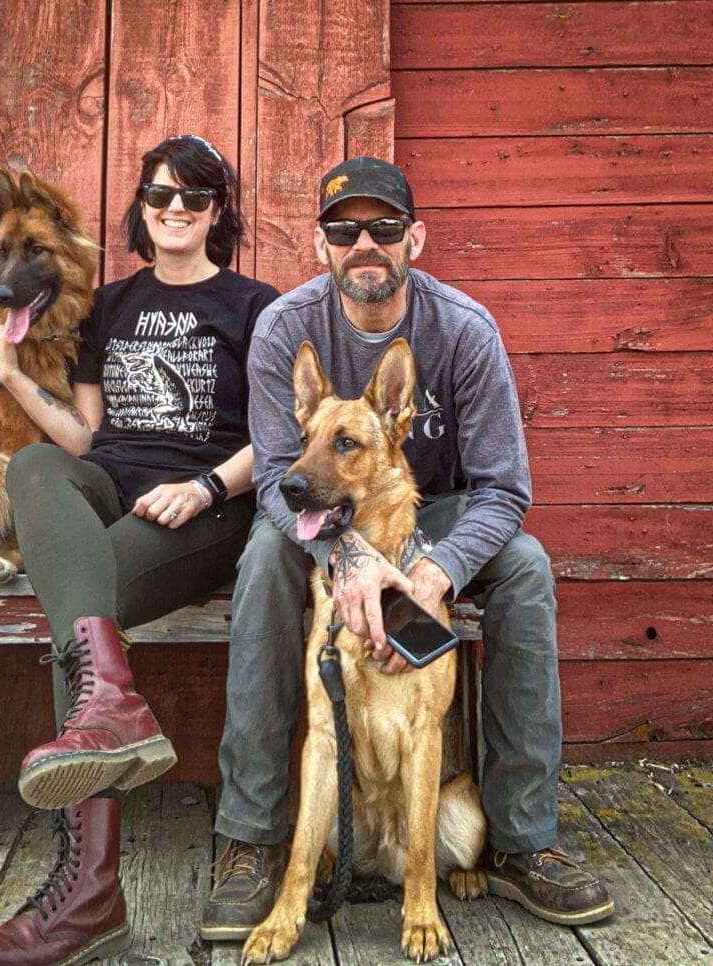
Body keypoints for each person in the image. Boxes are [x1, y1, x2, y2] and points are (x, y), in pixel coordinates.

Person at [200, 156, 614, 940]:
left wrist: (435, 570)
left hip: (439, 511)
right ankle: (253, 838)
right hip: (318, 515)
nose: (365, 244)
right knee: (260, 560)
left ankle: (525, 842)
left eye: (383, 227)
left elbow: (505, 490)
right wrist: (346, 559)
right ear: (322, 244)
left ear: (413, 238)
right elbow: (273, 487)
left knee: (524, 566)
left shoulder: (462, 329)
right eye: (344, 229)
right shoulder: (286, 329)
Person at [0, 134, 278, 966]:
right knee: (35, 463)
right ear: (140, 207)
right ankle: (112, 712)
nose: (174, 210)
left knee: (81, 610)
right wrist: (14, 375)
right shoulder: (111, 305)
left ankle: (86, 897)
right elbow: (87, 435)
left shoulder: (256, 307)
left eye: (194, 198)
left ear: (219, 213)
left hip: (205, 508)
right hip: (112, 481)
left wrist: (207, 486)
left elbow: (280, 435)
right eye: (160, 195)